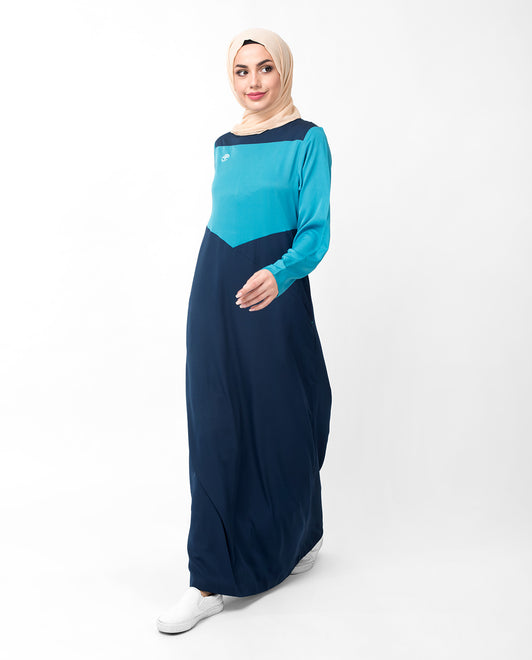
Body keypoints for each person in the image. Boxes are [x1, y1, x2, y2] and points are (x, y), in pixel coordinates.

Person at [157, 26, 332, 634]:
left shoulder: (309, 139)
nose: (253, 82)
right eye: (241, 71)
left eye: (264, 68)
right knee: (215, 421)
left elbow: (315, 232)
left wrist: (279, 274)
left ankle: (300, 534)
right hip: (215, 292)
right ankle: (207, 579)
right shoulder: (224, 143)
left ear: (283, 71)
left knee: (289, 416)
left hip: (275, 295)